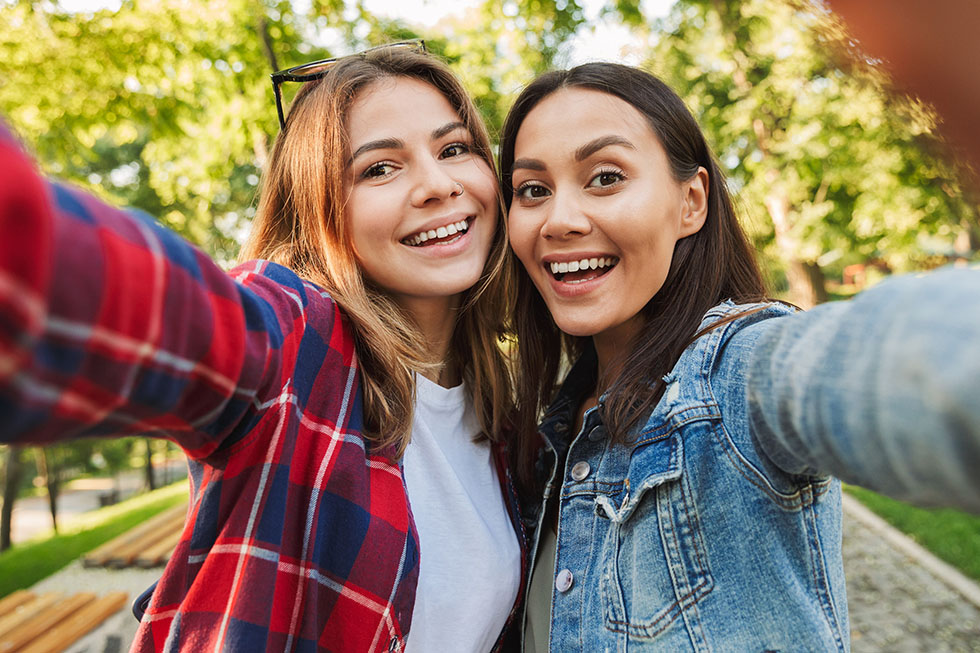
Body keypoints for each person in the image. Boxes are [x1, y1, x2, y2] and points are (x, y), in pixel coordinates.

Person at [0, 43, 525, 652]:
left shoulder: (505, 408)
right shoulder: (298, 338)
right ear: (317, 209)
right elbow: (133, 309)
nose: (438, 184)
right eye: (379, 168)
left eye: (454, 149)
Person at [498, 62, 980, 652]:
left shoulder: (734, 371)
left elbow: (882, 365)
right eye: (533, 190)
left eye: (605, 177)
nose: (560, 220)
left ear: (691, 201)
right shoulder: (547, 427)